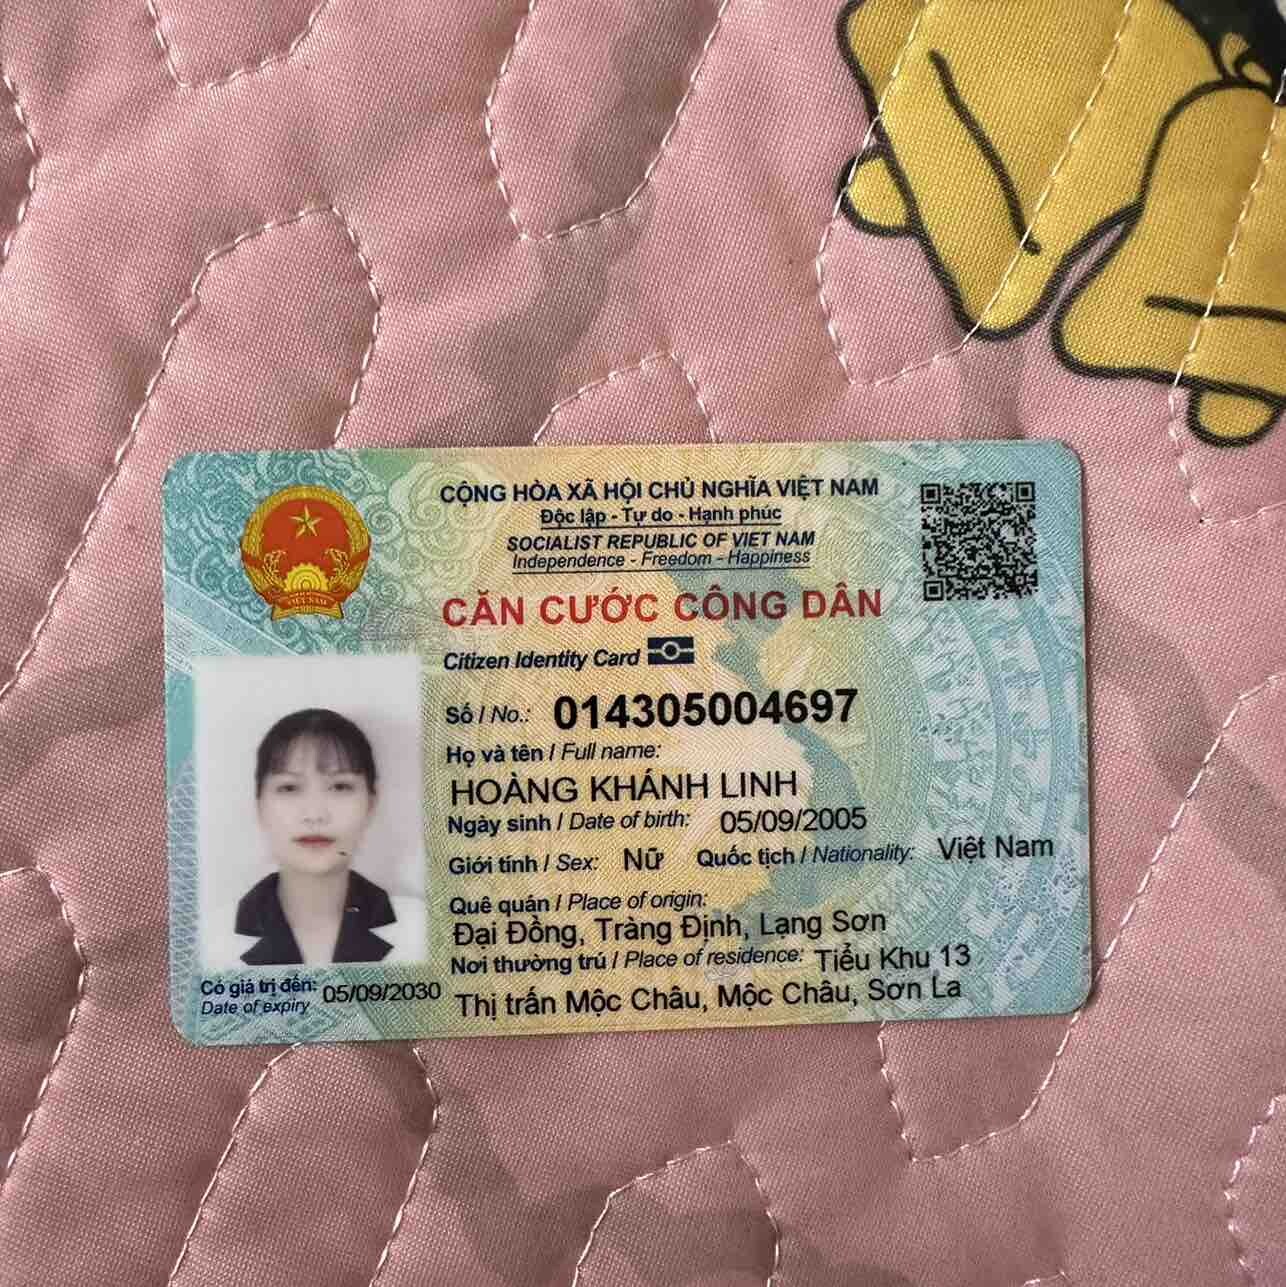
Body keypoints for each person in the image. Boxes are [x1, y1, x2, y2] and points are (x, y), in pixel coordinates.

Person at [227, 708, 423, 966]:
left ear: (371, 803)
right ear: (260, 805)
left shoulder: (422, 931)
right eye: (289, 788)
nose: (315, 814)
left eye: (340, 786)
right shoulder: (209, 939)